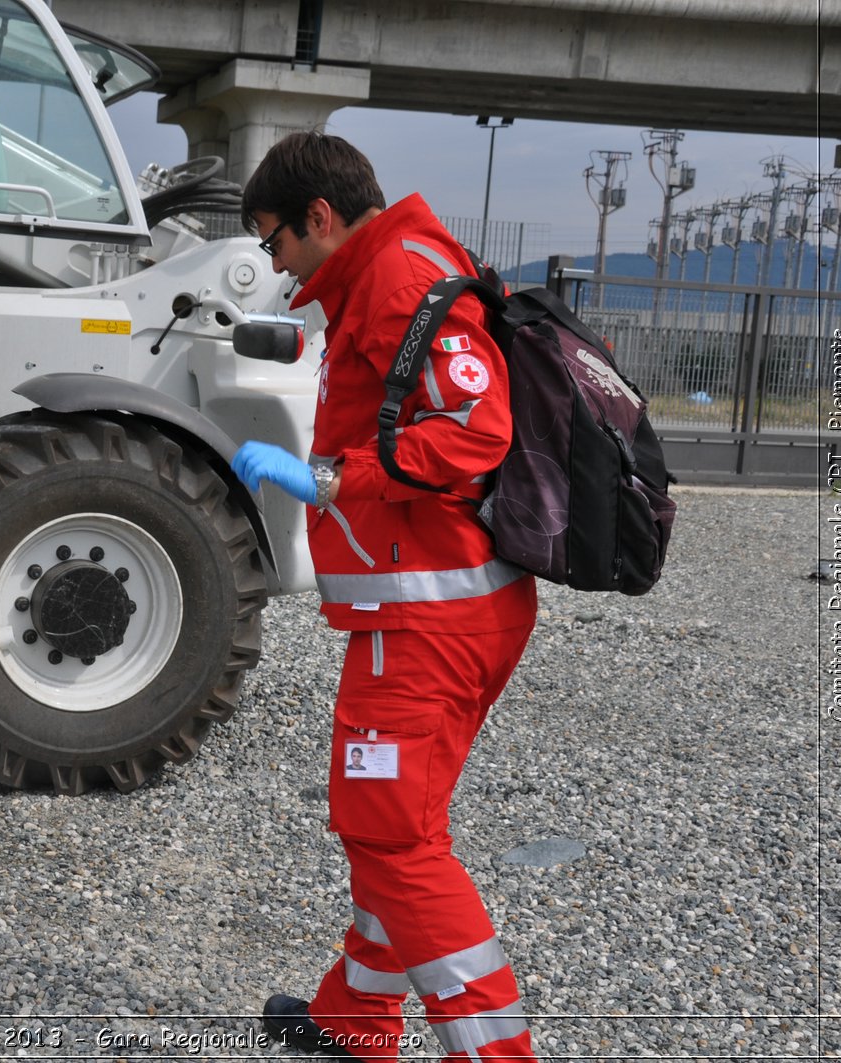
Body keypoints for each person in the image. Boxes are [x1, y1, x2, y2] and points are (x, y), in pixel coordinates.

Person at [230, 132, 539, 1061]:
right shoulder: (396, 269)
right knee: (395, 825)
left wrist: (331, 479)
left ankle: (495, 1053)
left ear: (319, 217)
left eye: (274, 239)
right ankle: (357, 1016)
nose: (275, 261)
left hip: (426, 619)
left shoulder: (398, 276)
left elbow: (475, 431)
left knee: (392, 836)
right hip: (444, 607)